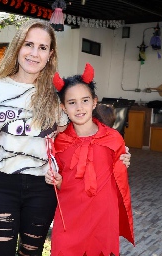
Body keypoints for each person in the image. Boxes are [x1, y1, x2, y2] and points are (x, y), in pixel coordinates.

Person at [0, 19, 131, 255]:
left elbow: (72, 139)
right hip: (2, 184)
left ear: (50, 54)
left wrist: (113, 152)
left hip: (42, 187)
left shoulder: (56, 95)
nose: (34, 53)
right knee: (0, 251)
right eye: (29, 44)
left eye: (42, 47)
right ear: (18, 47)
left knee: (31, 252)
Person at [45, 63, 135, 255]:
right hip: (70, 219)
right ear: (63, 107)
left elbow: (119, 177)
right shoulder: (58, 143)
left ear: (94, 102)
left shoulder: (113, 138)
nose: (79, 107)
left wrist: (124, 160)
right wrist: (55, 180)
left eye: (85, 100)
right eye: (72, 102)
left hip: (103, 219)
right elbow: (61, 182)